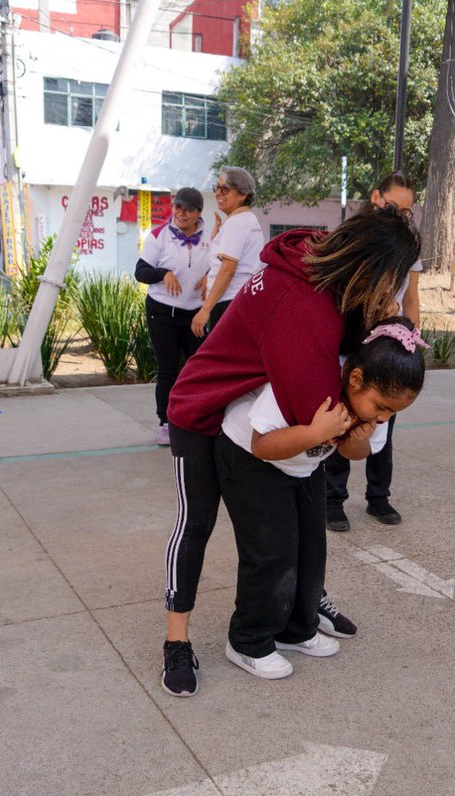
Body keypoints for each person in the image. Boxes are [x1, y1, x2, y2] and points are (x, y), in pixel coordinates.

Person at [160, 206, 420, 697]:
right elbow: (322, 419)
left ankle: (301, 606)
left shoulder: (321, 276)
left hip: (247, 407)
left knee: (297, 526)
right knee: (196, 526)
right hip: (201, 411)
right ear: (368, 267)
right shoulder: (304, 305)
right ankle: (177, 640)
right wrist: (361, 424)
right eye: (389, 281)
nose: (391, 293)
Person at [219, 318, 427, 680]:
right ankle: (248, 641)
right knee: (272, 553)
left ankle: (296, 629)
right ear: (356, 378)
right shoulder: (309, 380)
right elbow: (261, 444)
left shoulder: (373, 412)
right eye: (381, 407)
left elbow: (357, 453)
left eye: (392, 412)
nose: (383, 416)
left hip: (304, 467)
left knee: (312, 549)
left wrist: (357, 437)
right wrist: (317, 432)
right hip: (251, 459)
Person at [324, 172, 422, 532]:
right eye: (396, 206)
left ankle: (378, 497)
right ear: (377, 197)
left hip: (386, 337)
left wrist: (407, 337)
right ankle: (332, 500)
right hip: (350, 338)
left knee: (383, 416)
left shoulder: (408, 245)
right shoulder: (356, 237)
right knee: (344, 415)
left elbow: (410, 296)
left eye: (408, 212)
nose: (401, 215)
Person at [135, 187, 211, 447]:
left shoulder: (210, 238)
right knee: (168, 368)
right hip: (162, 312)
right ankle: (165, 423)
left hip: (194, 314)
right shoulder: (158, 236)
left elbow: (220, 264)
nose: (181, 213)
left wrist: (208, 276)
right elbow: (141, 271)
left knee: (196, 368)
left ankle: (192, 416)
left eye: (188, 209)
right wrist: (163, 273)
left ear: (198, 213)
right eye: (178, 207)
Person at [190, 166, 263, 338]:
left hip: (228, 303)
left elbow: (228, 270)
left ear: (243, 194)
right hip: (242, 301)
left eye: (225, 189)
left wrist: (205, 310)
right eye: (217, 188)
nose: (218, 193)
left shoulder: (236, 223)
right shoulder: (249, 220)